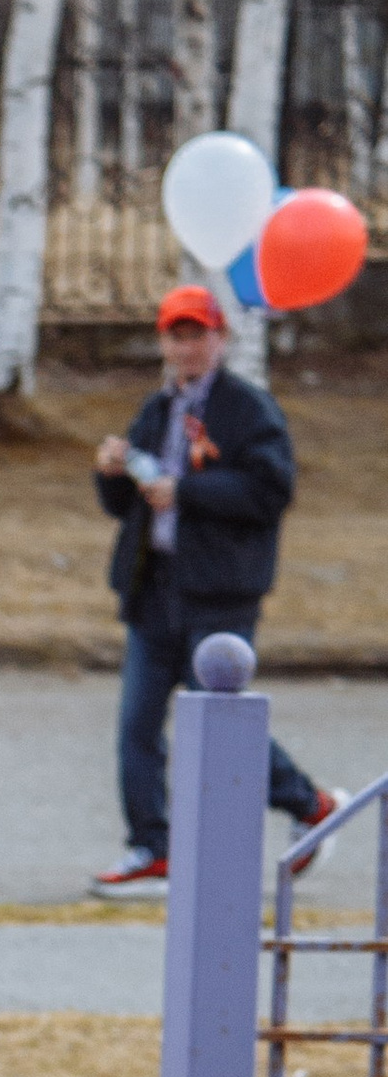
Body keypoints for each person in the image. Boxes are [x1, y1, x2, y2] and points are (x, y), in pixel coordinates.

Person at [91, 286, 343, 896]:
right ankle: (153, 848)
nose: (187, 347)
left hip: (222, 591)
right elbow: (128, 505)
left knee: (220, 718)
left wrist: (188, 491)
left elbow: (270, 491)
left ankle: (309, 802)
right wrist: (112, 475)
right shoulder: (155, 411)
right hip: (157, 588)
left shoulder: (248, 410)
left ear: (220, 340)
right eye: (176, 335)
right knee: (138, 725)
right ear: (163, 343)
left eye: (197, 334)